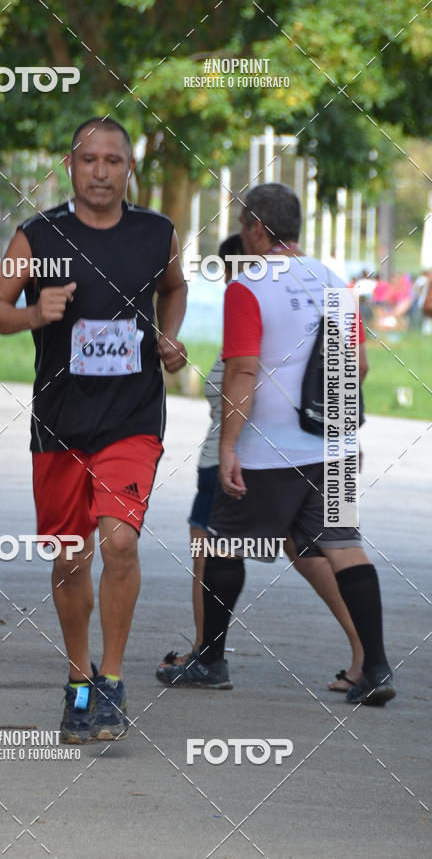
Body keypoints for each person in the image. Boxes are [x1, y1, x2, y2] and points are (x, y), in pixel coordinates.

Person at [0, 117, 188, 742]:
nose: (101, 171)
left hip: (132, 417)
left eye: (114, 161)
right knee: (72, 557)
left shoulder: (157, 233)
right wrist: (31, 313)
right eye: (89, 159)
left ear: (129, 169)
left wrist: (169, 336)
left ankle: (113, 684)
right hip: (62, 422)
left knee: (119, 542)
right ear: (69, 165)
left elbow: (174, 288)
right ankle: (78, 681)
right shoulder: (39, 235)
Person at [158, 183, 395, 707]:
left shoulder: (250, 287)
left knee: (220, 541)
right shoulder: (335, 280)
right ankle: (375, 668)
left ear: (259, 229)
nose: (243, 238)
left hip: (272, 449)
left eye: (245, 227)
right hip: (333, 444)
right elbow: (355, 366)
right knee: (343, 544)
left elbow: (242, 370)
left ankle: (210, 658)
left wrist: (229, 448)